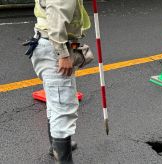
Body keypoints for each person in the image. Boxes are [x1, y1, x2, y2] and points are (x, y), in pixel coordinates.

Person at [29, 0, 91, 163]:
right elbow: (56, 20)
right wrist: (63, 54)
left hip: (46, 43)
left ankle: (56, 147)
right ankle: (63, 158)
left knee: (55, 101)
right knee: (63, 106)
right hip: (54, 48)